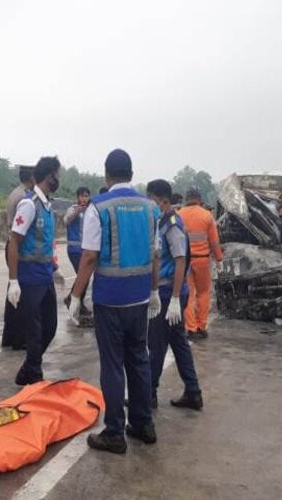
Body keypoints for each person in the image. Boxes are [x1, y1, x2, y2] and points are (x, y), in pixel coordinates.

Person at [69, 149, 161, 454]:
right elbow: (156, 254)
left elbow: (90, 256)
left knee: (112, 364)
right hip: (138, 299)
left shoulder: (99, 207)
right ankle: (143, 424)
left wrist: (76, 295)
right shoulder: (150, 208)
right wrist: (154, 292)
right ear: (131, 174)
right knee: (139, 358)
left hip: (109, 300)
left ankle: (114, 432)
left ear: (107, 175)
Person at [145, 180, 203, 410]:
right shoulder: (162, 222)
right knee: (179, 343)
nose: (150, 204)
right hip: (171, 292)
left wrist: (176, 298)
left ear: (164, 201)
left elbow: (180, 261)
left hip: (170, 293)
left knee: (156, 343)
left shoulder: (172, 224)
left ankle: (149, 394)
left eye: (152, 200)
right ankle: (193, 392)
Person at [6, 157, 61, 386]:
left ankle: (28, 369)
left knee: (50, 326)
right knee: (35, 332)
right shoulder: (29, 205)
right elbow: (14, 242)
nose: (59, 179)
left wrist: (55, 268)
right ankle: (34, 379)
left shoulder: (47, 205)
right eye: (58, 174)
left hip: (45, 275)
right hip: (29, 278)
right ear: (49, 176)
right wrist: (13, 280)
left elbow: (45, 242)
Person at [178, 187, 223, 340]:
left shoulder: (179, 215)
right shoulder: (207, 216)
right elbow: (214, 242)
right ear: (199, 199)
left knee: (188, 294)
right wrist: (219, 259)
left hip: (185, 261)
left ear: (186, 199)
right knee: (204, 293)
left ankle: (190, 328)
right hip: (203, 260)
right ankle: (201, 326)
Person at [2, 165, 35, 350]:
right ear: (31, 178)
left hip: (11, 243)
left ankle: (9, 336)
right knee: (20, 294)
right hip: (18, 246)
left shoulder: (15, 193)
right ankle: (19, 339)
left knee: (12, 293)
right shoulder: (25, 198)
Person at [63, 186, 92, 321]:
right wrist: (77, 211)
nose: (85, 199)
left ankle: (73, 299)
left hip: (86, 250)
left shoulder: (91, 210)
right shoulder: (72, 208)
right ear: (78, 197)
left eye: (87, 196)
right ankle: (75, 300)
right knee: (83, 277)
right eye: (82, 196)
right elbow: (67, 220)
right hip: (74, 250)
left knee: (84, 277)